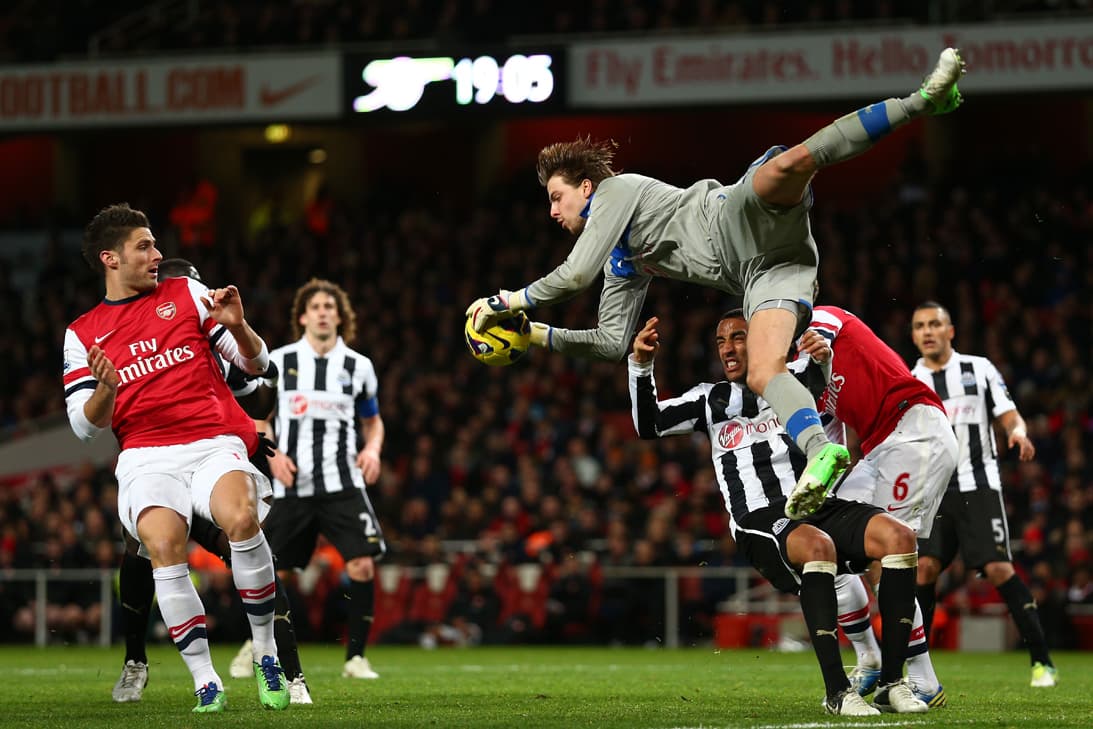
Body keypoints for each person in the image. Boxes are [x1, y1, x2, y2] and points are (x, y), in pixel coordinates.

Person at [468, 48, 966, 519]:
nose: (553, 211)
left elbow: (575, 275)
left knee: (795, 162)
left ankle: (922, 101)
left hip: (738, 215)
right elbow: (608, 344)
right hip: (771, 273)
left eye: (557, 197)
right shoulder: (625, 265)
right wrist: (534, 334)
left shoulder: (616, 192)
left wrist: (504, 299)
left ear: (586, 187)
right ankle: (820, 450)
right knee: (763, 371)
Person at [629, 310, 928, 714]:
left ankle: (894, 683)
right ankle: (838, 692)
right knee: (818, 547)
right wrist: (641, 365)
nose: (728, 349)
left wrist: (825, 357)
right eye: (721, 341)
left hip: (818, 505)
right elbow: (649, 424)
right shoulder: (709, 399)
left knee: (899, 537)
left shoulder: (795, 378)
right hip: (760, 519)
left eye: (739, 338)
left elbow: (832, 376)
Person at [63, 205, 288, 713]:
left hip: (210, 442)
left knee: (242, 518)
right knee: (163, 547)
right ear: (110, 259)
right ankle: (206, 680)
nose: (156, 254)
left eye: (155, 244)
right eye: (143, 246)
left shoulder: (185, 293)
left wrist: (241, 325)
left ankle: (267, 655)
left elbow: (257, 364)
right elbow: (84, 423)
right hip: (146, 457)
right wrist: (105, 389)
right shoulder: (83, 333)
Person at [111, 258, 312, 706]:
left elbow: (261, 381)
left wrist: (252, 426)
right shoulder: (134, 336)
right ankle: (136, 659)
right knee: (141, 546)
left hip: (214, 461)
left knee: (248, 538)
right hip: (162, 468)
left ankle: (286, 670)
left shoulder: (210, 332)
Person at [800, 304, 957, 707]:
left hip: (913, 432)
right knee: (825, 539)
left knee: (889, 552)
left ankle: (922, 679)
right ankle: (868, 656)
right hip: (878, 449)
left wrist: (819, 350)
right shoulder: (803, 381)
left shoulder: (824, 317)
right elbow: (840, 447)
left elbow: (825, 335)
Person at [909, 301, 1057, 687]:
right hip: (933, 490)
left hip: (978, 485)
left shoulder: (979, 368)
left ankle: (1042, 661)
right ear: (913, 336)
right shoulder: (909, 380)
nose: (927, 331)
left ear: (950, 331)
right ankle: (918, 669)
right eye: (920, 326)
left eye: (934, 324)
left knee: (997, 568)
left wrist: (1017, 432)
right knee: (923, 571)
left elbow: (1008, 413)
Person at [258, 278, 387, 680]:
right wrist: (273, 456)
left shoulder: (358, 366)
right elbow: (261, 420)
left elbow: (372, 421)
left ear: (340, 316)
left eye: (330, 306)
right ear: (302, 316)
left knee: (363, 564)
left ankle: (355, 659)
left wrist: (372, 450)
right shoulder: (278, 362)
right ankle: (259, 646)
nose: (323, 312)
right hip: (292, 484)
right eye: (315, 306)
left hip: (342, 482)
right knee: (264, 568)